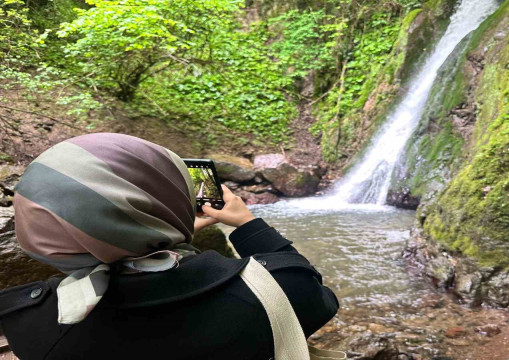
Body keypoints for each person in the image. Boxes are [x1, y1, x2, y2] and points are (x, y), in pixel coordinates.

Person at [0, 133, 339, 360]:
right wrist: (247, 224)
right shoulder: (281, 291)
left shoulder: (31, 326)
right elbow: (316, 294)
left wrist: (138, 237)